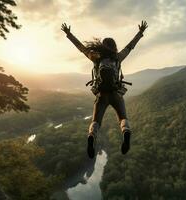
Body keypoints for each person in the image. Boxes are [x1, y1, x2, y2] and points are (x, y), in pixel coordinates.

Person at [61, 21, 148, 158]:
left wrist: (69, 34)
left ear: (102, 46)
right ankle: (126, 132)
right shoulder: (118, 57)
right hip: (116, 94)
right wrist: (140, 32)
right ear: (114, 46)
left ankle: (91, 136)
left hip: (101, 94)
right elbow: (131, 46)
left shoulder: (95, 57)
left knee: (96, 121)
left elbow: (81, 48)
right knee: (122, 118)